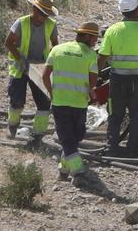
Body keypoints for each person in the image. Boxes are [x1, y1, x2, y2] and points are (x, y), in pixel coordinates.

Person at [97, 0, 138, 157]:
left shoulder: (112, 31)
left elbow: (102, 57)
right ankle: (134, 151)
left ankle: (112, 148)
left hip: (117, 79)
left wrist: (95, 76)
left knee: (115, 114)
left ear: (121, 11)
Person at [42, 22, 101, 178]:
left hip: (60, 102)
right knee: (71, 137)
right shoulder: (90, 55)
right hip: (79, 103)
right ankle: (78, 170)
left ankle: (63, 169)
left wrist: (51, 93)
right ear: (87, 36)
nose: (95, 41)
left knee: (70, 138)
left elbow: (45, 75)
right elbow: (93, 82)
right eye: (94, 38)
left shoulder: (57, 49)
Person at [2, 0, 56, 138]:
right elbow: (8, 43)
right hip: (20, 67)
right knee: (17, 100)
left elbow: (56, 46)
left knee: (44, 102)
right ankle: (12, 126)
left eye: (45, 15)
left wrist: (51, 62)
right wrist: (20, 58)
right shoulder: (21, 23)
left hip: (39, 68)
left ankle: (38, 134)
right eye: (40, 13)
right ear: (34, 9)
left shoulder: (51, 25)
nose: (42, 18)